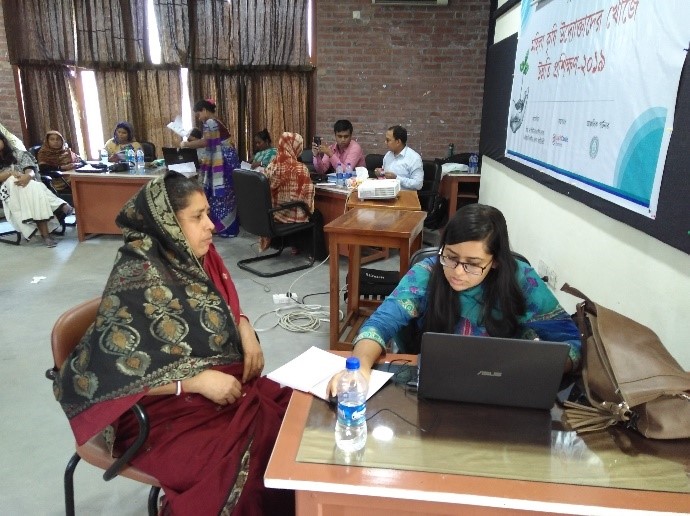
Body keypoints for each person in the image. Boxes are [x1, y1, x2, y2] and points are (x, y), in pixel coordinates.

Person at [54, 172, 294, 515]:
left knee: (291, 423)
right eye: (197, 217)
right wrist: (193, 382)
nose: (211, 225)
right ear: (166, 223)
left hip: (215, 387)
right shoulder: (138, 276)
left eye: (207, 213)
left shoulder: (198, 257)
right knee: (246, 472)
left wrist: (243, 326)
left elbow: (225, 307)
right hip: (155, 409)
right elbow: (108, 376)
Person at [328, 204, 581, 395]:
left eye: (473, 264)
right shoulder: (427, 273)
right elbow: (379, 325)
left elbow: (571, 342)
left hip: (501, 388)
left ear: (495, 261)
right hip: (432, 384)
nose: (457, 272)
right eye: (450, 257)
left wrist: (533, 369)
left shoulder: (521, 280)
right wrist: (360, 368)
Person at [0, 132, 73, 247]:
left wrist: (27, 176)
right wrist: (10, 173)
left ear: (3, 140)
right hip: (6, 192)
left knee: (33, 188)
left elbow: (30, 170)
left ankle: (46, 235)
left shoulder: (18, 154)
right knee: (16, 181)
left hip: (27, 187)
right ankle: (59, 205)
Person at [181, 99, 241, 237]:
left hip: (222, 162)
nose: (198, 118)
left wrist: (186, 144)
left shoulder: (210, 122)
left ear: (204, 110)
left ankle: (221, 228)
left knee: (219, 195)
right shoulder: (218, 121)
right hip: (229, 160)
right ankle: (228, 228)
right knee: (227, 195)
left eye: (198, 114)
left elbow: (206, 142)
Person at [261, 132, 317, 253]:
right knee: (316, 215)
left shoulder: (271, 165)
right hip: (289, 215)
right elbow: (308, 197)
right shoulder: (300, 168)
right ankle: (308, 250)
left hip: (271, 214)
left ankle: (290, 245)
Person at [378, 125, 423, 190]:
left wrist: (396, 178)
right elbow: (384, 175)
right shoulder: (388, 155)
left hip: (404, 194)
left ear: (398, 142)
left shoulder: (414, 158)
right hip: (386, 192)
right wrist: (380, 173)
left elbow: (418, 185)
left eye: (388, 140)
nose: (385, 142)